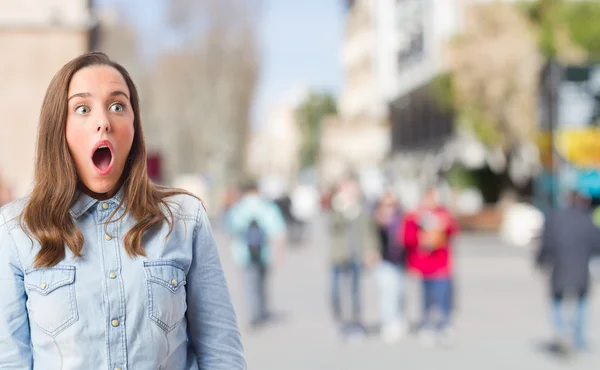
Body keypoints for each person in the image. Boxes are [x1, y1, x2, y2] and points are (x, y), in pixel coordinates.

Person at [0, 52, 245, 369]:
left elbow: (222, 354)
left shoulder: (185, 220)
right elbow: (10, 360)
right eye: (82, 109)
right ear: (57, 129)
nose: (103, 121)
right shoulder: (16, 230)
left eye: (118, 106)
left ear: (134, 125)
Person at [536, 191, 600, 353]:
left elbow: (546, 243)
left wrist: (541, 260)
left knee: (557, 300)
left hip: (559, 268)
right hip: (581, 269)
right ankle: (578, 339)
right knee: (581, 301)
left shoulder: (554, 218)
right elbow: (596, 246)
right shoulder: (588, 220)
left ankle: (561, 331)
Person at [402, 186, 458, 347]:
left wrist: (444, 223)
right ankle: (426, 323)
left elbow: (452, 232)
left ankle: (444, 321)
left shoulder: (444, 214)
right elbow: (407, 238)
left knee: (443, 294)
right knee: (426, 296)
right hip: (424, 264)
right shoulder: (415, 216)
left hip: (440, 264)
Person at [226, 179, 286, 329]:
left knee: (249, 284)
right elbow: (278, 231)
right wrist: (279, 254)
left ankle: (253, 314)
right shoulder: (267, 206)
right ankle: (261, 311)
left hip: (243, 254)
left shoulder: (238, 207)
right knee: (262, 283)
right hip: (265, 252)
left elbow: (230, 228)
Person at [328, 175, 377, 341]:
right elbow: (332, 226)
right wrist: (341, 209)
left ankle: (356, 323)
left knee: (355, 291)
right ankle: (340, 322)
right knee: (335, 292)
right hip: (338, 255)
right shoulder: (336, 207)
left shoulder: (362, 208)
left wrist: (371, 250)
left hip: (356, 255)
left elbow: (368, 232)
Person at [369, 190, 406, 343]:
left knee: (399, 292)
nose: (389, 208)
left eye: (392, 205)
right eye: (385, 204)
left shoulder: (401, 219)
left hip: (399, 262)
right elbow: (369, 238)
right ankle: (388, 322)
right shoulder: (375, 219)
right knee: (387, 292)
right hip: (383, 262)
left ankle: (398, 318)